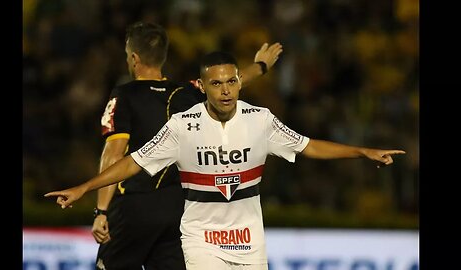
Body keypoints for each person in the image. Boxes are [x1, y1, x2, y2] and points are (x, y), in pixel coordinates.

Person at [45, 51, 406, 270]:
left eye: (232, 81)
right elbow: (133, 162)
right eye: (216, 84)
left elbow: (309, 146)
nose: (226, 90)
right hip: (201, 240)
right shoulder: (183, 126)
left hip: (250, 240)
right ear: (202, 87)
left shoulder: (259, 119)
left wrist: (361, 151)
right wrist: (84, 188)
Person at [91, 22, 283, 270]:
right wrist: (261, 66)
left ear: (134, 57)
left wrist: (101, 211)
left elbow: (114, 154)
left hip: (135, 205)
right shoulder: (188, 92)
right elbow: (233, 83)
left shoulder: (125, 95)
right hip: (178, 208)